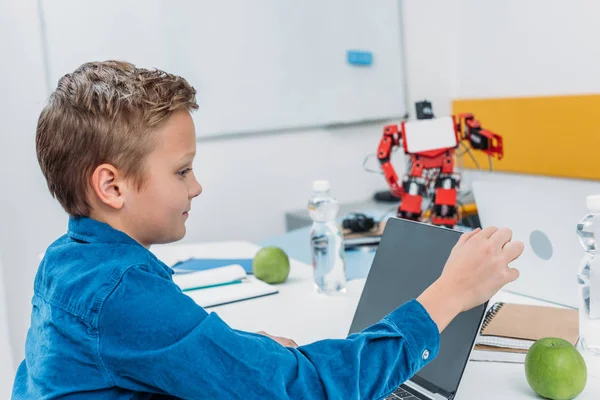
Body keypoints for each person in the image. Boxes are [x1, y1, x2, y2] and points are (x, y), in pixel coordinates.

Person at [12, 60, 524, 399]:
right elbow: (304, 389)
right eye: (181, 170)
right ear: (112, 186)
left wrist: (225, 351)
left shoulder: (68, 259)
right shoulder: (122, 293)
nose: (197, 187)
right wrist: (449, 296)